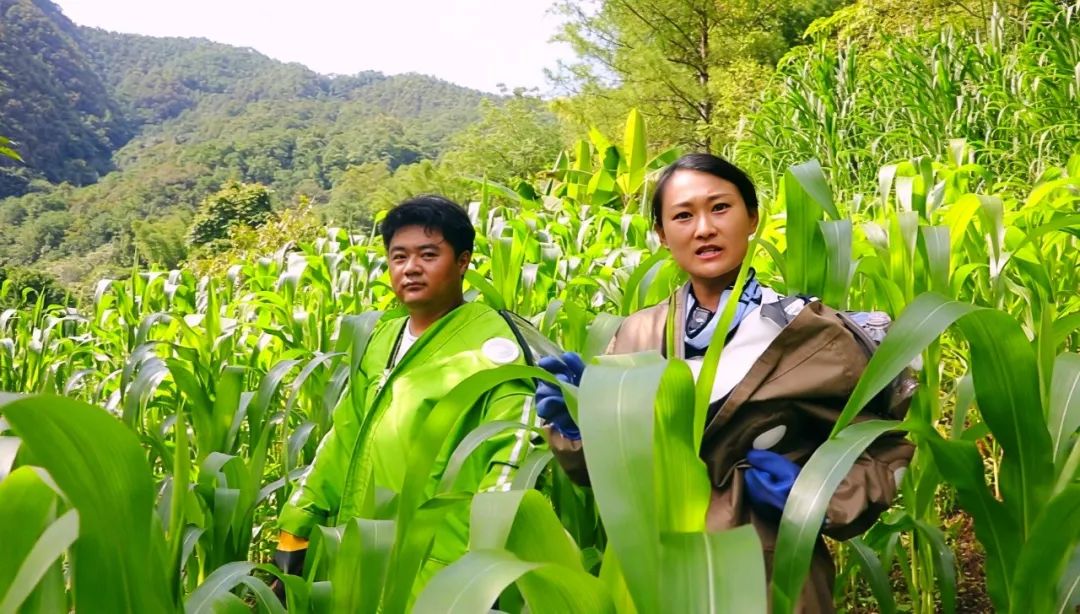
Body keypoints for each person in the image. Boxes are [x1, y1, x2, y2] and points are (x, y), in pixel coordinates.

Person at [535, 153, 915, 613]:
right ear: (661, 234)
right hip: (658, 575)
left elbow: (883, 448)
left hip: (773, 575)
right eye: (683, 215)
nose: (704, 229)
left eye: (720, 208)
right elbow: (605, 476)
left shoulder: (811, 332)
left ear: (751, 217)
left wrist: (813, 495)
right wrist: (579, 427)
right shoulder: (635, 338)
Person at [274, 195, 546, 593]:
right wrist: (297, 527)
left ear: (463, 261)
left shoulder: (495, 347)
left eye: (428, 255)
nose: (411, 268)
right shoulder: (383, 338)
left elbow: (510, 460)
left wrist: (477, 569)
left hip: (440, 568)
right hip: (364, 555)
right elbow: (342, 438)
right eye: (399, 257)